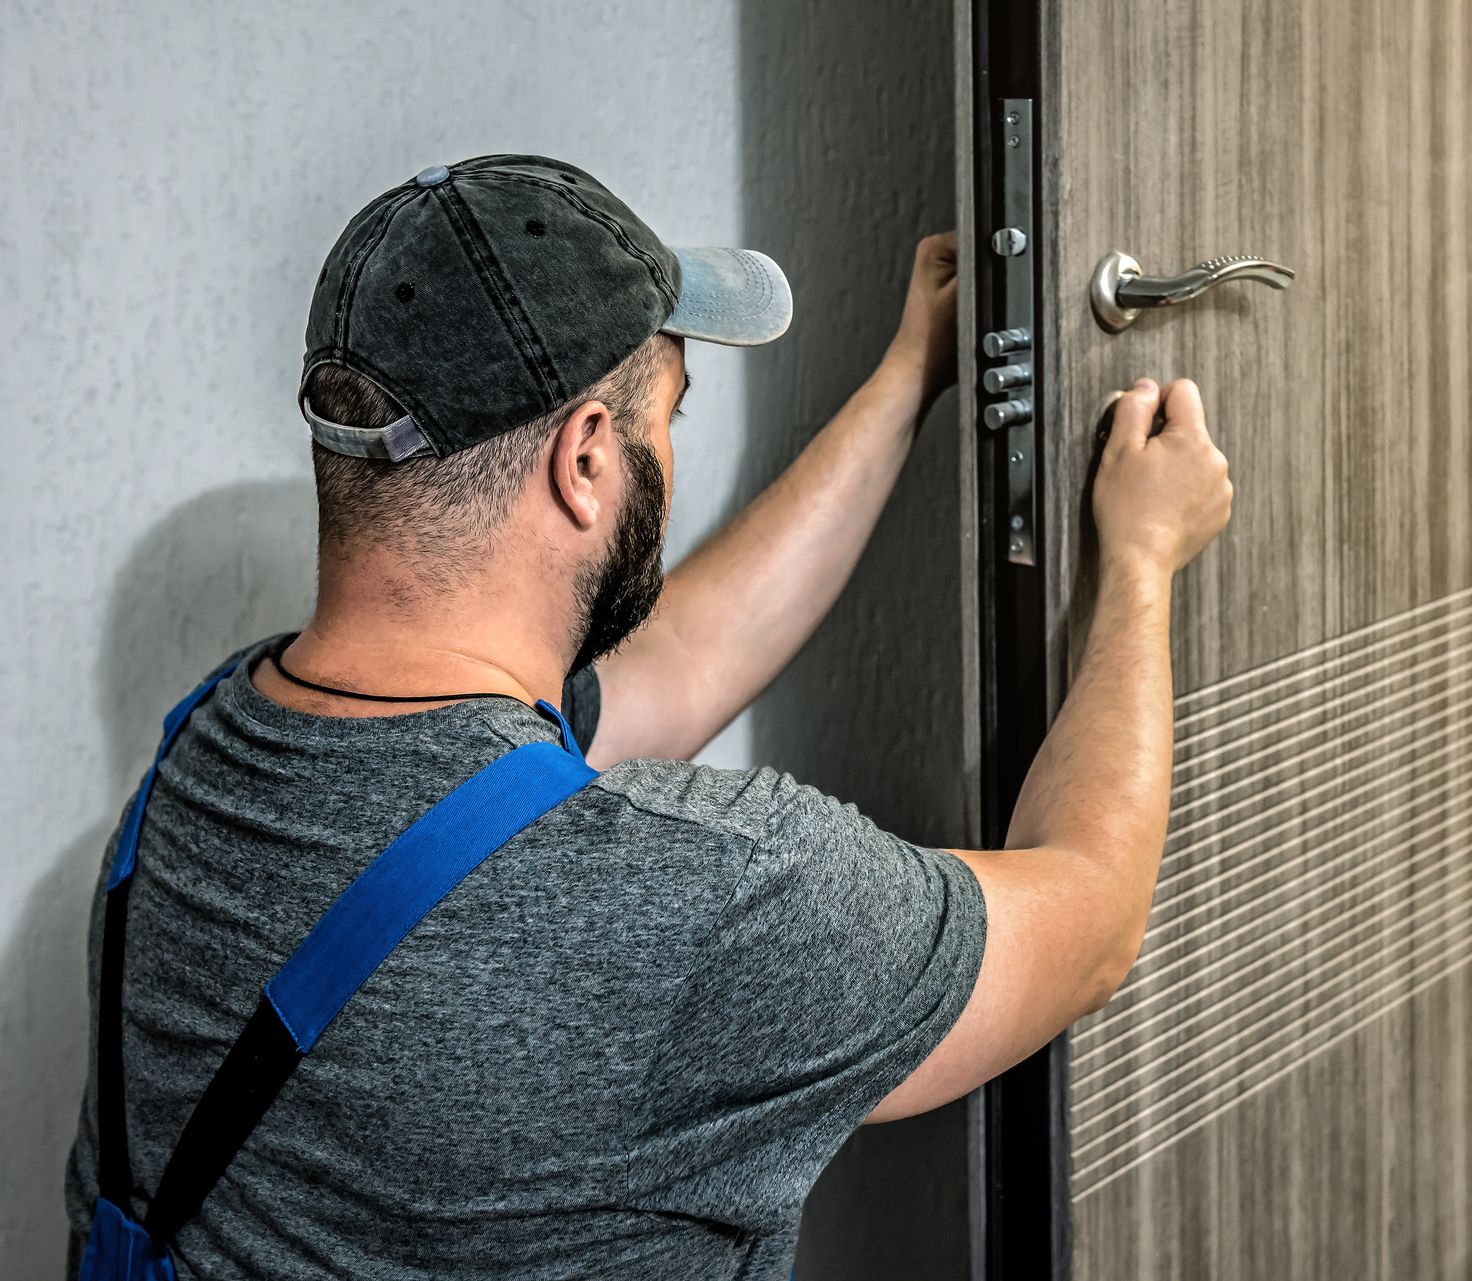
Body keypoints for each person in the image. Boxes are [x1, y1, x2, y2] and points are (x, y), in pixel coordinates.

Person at [65, 154, 1232, 1280]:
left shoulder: (202, 759)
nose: (668, 452)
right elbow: (1091, 920)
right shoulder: (705, 904)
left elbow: (683, 659)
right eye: (668, 414)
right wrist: (1139, 564)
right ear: (586, 458)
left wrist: (906, 381)